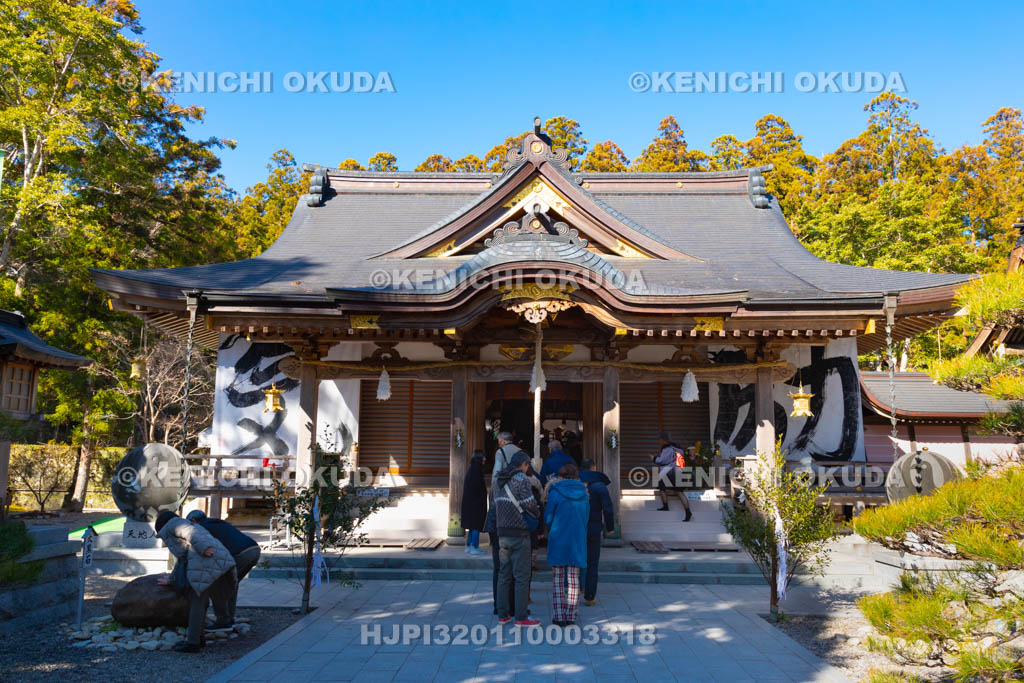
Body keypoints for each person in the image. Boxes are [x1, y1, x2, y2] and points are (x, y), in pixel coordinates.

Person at [155, 511, 236, 653]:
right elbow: (182, 560)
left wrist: (204, 548)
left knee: (197, 602)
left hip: (205, 561)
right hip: (211, 562)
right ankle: (199, 638)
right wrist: (172, 579)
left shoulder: (174, 524)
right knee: (201, 601)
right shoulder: (179, 525)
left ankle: (193, 643)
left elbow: (191, 532)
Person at [184, 510, 261, 627]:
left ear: (194, 521)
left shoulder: (202, 529)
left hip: (240, 554)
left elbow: (205, 551)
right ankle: (229, 617)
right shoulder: (216, 523)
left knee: (218, 585)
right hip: (254, 549)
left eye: (190, 524)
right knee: (231, 584)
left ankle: (223, 620)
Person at [494, 451, 541, 626]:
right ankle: (521, 617)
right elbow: (530, 504)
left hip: (502, 531)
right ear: (523, 464)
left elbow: (495, 502)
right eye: (527, 464)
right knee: (522, 576)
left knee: (504, 575)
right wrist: (537, 512)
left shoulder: (498, 480)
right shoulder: (521, 479)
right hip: (519, 532)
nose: (527, 468)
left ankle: (502, 614)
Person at [544, 463, 589, 626]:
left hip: (558, 538)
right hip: (577, 539)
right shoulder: (584, 493)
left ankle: (558, 616)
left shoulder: (555, 492)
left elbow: (548, 517)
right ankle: (571, 615)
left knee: (557, 579)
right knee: (573, 579)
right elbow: (586, 517)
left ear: (561, 476)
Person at [579, 459, 615, 606]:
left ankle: (578, 588)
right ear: (593, 468)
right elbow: (607, 507)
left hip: (576, 527)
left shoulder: (574, 484)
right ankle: (589, 596)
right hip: (594, 527)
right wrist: (610, 527)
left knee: (576, 559)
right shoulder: (600, 486)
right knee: (592, 562)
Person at [653, 431, 692, 520]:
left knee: (661, 487)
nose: (659, 441)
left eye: (660, 439)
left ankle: (665, 506)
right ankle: (688, 511)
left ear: (663, 440)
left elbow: (662, 460)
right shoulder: (678, 448)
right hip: (678, 471)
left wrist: (654, 458)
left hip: (668, 471)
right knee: (680, 492)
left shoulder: (666, 449)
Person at [461, 450, 487, 555]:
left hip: (470, 502)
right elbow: (477, 488)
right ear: (479, 458)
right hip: (475, 503)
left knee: (472, 526)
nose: (485, 459)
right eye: (483, 457)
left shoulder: (472, 468)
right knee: (475, 526)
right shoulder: (476, 470)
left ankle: (469, 545)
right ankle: (475, 547)